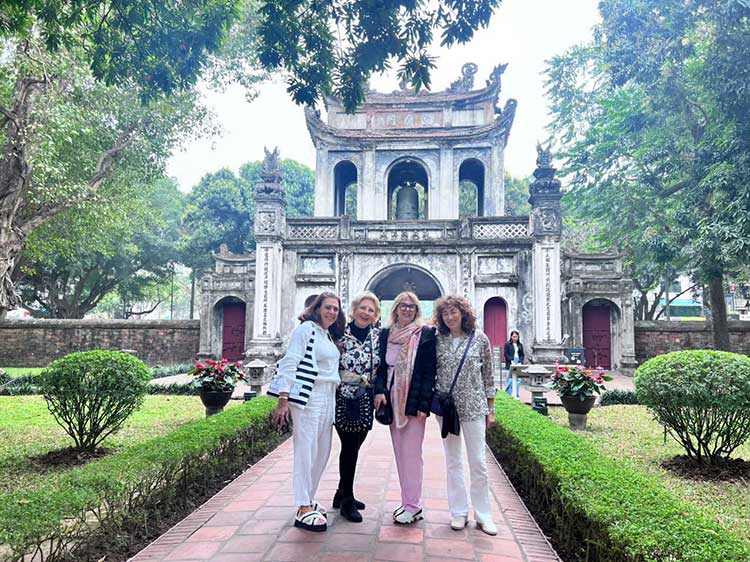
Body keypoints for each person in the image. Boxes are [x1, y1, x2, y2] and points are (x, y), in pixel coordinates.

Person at [271, 292, 346, 532]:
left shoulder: (327, 334)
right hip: (309, 396)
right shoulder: (306, 330)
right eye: (328, 308)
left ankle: (309, 498)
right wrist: (283, 398)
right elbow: (290, 361)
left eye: (336, 309)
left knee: (322, 451)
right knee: (305, 449)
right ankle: (302, 505)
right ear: (317, 308)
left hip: (328, 395)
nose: (332, 312)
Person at [432, 295, 497, 536]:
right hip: (448, 410)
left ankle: (484, 515)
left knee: (478, 462)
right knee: (453, 461)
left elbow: (489, 376)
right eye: (445, 314)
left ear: (463, 313)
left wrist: (491, 409)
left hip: (474, 407)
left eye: (453, 312)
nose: (449, 317)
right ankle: (458, 512)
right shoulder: (438, 340)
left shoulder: (480, 339)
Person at [374, 291, 436, 525]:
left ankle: (413, 505)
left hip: (413, 401)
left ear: (417, 310)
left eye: (412, 306)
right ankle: (407, 501)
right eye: (403, 305)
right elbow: (380, 367)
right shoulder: (385, 334)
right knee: (400, 453)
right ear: (395, 308)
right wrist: (380, 391)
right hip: (392, 400)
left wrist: (423, 404)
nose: (407, 309)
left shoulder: (426, 334)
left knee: (411, 454)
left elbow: (429, 372)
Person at [334, 291, 381, 522]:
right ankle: (347, 500)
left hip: (366, 396)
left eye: (371, 310)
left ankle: (341, 491)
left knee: (357, 443)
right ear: (354, 309)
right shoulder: (339, 333)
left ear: (375, 315)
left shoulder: (376, 336)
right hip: (343, 394)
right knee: (349, 446)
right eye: (363, 308)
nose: (366, 313)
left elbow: (381, 368)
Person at [502, 330, 525, 399]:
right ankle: (508, 395)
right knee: (509, 379)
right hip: (510, 362)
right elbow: (506, 354)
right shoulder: (507, 344)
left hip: (518, 362)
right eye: (513, 336)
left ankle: (516, 394)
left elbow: (522, 355)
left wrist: (520, 361)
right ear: (511, 337)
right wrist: (511, 360)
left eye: (516, 337)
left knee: (518, 380)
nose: (515, 338)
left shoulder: (520, 345)